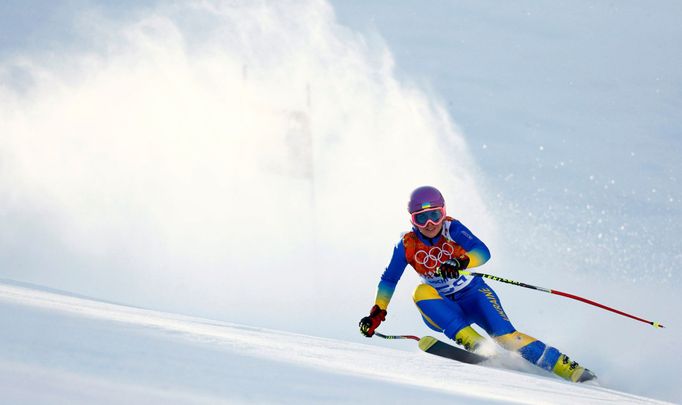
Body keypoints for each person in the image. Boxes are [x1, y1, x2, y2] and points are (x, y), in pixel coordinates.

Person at [359, 185, 596, 383]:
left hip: (474, 294)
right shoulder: (407, 245)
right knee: (420, 291)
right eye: (421, 218)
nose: (429, 223)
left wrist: (462, 260)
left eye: (435, 215)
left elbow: (483, 252)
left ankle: (571, 370)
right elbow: (389, 279)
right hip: (441, 307)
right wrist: (377, 313)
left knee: (507, 339)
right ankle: (477, 345)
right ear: (412, 220)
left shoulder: (453, 229)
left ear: (444, 213)